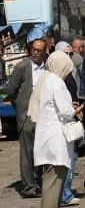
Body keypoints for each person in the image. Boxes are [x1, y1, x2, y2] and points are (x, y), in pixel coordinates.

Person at [30, 50, 85, 208]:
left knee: (53, 184)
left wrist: (69, 107)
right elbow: (65, 112)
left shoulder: (49, 80)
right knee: (53, 186)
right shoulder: (57, 82)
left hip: (50, 139)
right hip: (56, 141)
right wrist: (76, 110)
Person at [7, 38, 47, 198]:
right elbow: (11, 92)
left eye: (39, 50)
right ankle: (28, 188)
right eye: (33, 49)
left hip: (43, 116)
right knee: (27, 153)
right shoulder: (22, 67)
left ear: (44, 51)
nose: (35, 52)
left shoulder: (47, 67)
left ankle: (37, 182)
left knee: (40, 152)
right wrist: (22, 108)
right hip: (27, 116)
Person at [54, 42, 82, 207]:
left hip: (72, 116)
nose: (69, 57)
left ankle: (66, 192)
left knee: (73, 156)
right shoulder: (58, 77)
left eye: (71, 54)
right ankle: (64, 194)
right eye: (65, 54)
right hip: (65, 121)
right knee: (67, 158)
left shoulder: (67, 72)